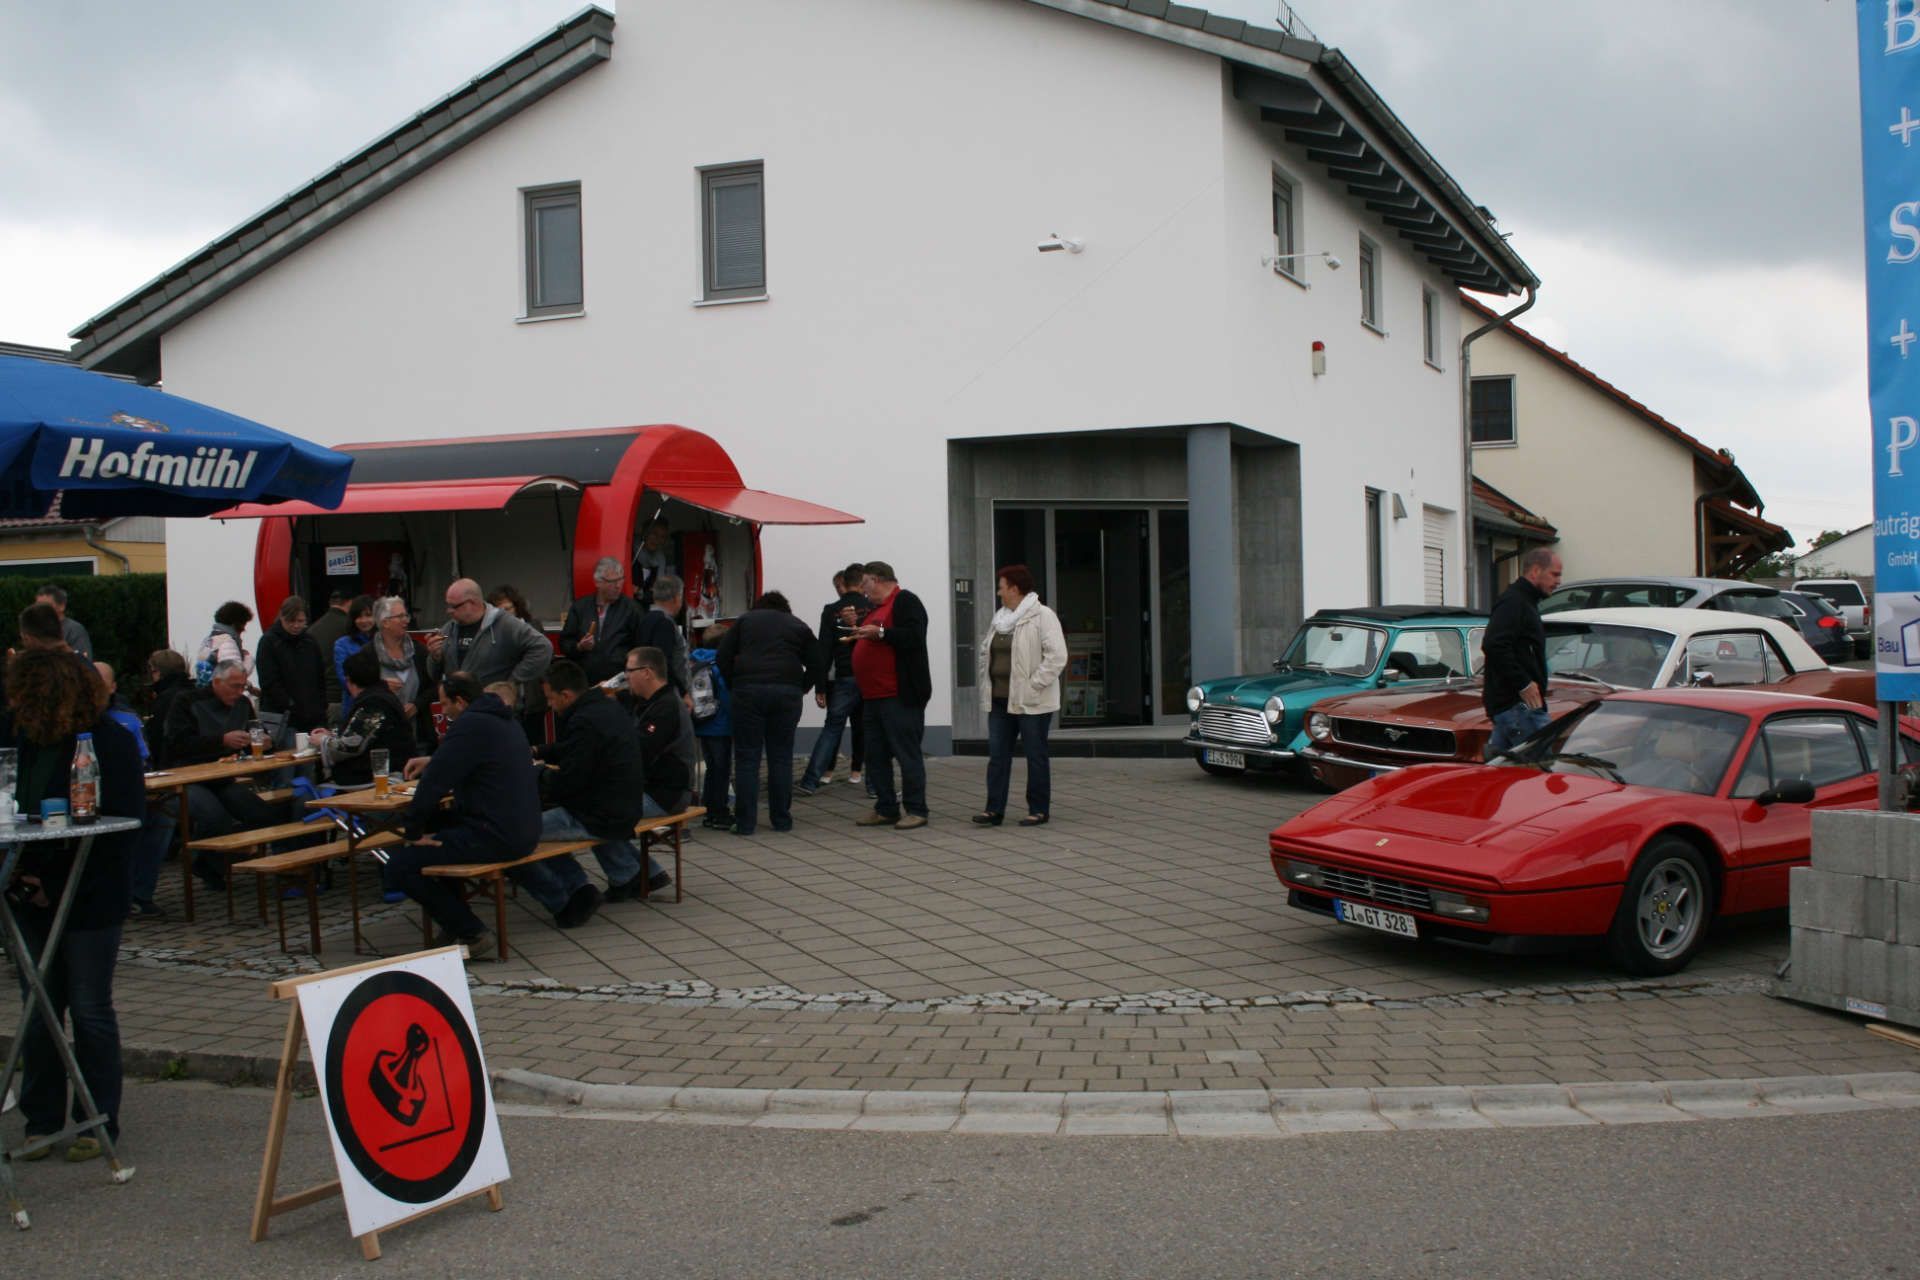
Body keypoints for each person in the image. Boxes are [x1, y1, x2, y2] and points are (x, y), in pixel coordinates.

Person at [1, 648, 142, 1163]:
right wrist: (23, 879)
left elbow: (121, 828)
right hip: (26, 889)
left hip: (88, 894)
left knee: (88, 1006)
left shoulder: (109, 742)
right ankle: (42, 1117)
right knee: (39, 1006)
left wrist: (54, 880)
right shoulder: (20, 741)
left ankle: (96, 1118)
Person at [387, 673, 540, 954]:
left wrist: (412, 832)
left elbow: (434, 781)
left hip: (496, 833)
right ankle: (456, 922)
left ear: (461, 701)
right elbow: (458, 762)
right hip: (521, 825)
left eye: (445, 705)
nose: (443, 712)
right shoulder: (502, 719)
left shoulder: (470, 725)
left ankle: (471, 932)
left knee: (399, 864)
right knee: (439, 832)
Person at [516, 658, 652, 923]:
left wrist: (535, 773)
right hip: (621, 803)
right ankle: (631, 872)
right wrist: (540, 752)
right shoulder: (603, 707)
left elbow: (569, 781)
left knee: (517, 833)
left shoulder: (583, 720)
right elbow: (574, 750)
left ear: (566, 695)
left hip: (600, 813)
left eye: (550, 699)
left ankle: (577, 890)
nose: (549, 705)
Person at [164, 659, 281, 888]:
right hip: (187, 776)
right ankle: (206, 863)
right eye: (234, 686)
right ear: (217, 682)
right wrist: (221, 741)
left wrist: (265, 741)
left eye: (242, 686)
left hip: (222, 776)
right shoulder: (187, 701)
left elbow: (256, 732)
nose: (239, 692)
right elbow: (177, 742)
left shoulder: (243, 704)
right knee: (214, 816)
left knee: (261, 813)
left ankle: (225, 857)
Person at [716, 593, 822, 836]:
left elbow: (722, 656)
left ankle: (745, 823)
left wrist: (736, 683)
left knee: (747, 758)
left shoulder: (745, 622)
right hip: (786, 694)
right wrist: (801, 687)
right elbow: (818, 661)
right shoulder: (797, 625)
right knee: (781, 757)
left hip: (748, 693)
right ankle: (781, 819)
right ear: (785, 608)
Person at [972, 564, 1067, 827]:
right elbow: (986, 654)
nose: (998, 592)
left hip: (1032, 702)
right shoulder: (1001, 618)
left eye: (1002, 586)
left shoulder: (1042, 616)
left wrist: (1033, 685)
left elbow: (1057, 656)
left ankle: (1038, 809)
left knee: (1035, 755)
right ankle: (994, 810)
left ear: (1014, 589)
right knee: (998, 756)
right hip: (1000, 701)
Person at [848, 561, 932, 830]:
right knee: (874, 755)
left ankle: (917, 809)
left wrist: (881, 633)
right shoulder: (876, 609)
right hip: (873, 696)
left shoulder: (906, 601)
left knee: (907, 754)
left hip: (899, 694)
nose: (863, 589)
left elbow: (914, 636)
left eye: (865, 583)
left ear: (878, 579)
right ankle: (886, 808)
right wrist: (858, 627)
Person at [128, 650, 193, 918]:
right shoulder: (192, 692)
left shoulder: (164, 700)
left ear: (158, 672)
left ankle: (138, 893)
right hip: (181, 773)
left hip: (170, 774)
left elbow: (157, 741)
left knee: (159, 819)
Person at [623, 645, 695, 883]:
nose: (626, 677)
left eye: (629, 671)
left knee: (600, 814)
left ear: (647, 672)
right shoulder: (650, 702)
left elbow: (639, 754)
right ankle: (641, 873)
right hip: (655, 789)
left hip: (666, 795)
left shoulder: (665, 708)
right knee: (596, 812)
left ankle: (637, 875)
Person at [1483, 547, 1564, 758]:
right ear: (1535, 571)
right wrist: (1524, 683)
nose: (1559, 581)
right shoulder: (1514, 602)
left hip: (1514, 708)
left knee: (1501, 773)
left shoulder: (1526, 602)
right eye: (1554, 574)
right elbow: (1494, 644)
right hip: (1519, 708)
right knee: (1540, 768)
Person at [798, 564, 870, 796]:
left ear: (845, 583)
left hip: (844, 677)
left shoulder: (831, 610)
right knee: (872, 730)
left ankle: (810, 780)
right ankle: (875, 786)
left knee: (831, 729)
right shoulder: (873, 607)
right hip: (870, 677)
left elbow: (823, 651)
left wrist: (820, 687)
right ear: (861, 583)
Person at [311, 645, 416, 787]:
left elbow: (350, 746)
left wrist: (322, 740)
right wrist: (332, 735)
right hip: (392, 771)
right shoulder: (382, 696)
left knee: (309, 795)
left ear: (349, 680)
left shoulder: (373, 703)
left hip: (381, 778)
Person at [426, 578, 553, 692]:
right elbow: (434, 675)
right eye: (448, 605)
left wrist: (510, 683)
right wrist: (435, 658)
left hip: (495, 709)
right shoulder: (449, 629)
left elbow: (543, 648)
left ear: (472, 603)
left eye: (454, 606)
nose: (449, 611)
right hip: (461, 710)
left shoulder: (505, 623)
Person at [559, 557, 643, 685]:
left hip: (619, 682)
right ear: (598, 582)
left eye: (621, 579)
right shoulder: (580, 607)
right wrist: (579, 647)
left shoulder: (632, 609)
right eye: (612, 581)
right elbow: (565, 642)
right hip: (585, 682)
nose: (618, 585)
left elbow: (642, 647)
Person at [369, 596, 437, 751]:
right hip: (384, 739)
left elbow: (434, 687)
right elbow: (359, 691)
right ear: (385, 622)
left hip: (420, 738)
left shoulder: (419, 651)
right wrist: (381, 686)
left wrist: (416, 705)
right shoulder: (368, 655)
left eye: (406, 615)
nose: (406, 620)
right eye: (400, 616)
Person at [255, 595, 327, 736]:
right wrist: (291, 705)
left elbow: (319, 677)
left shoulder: (310, 642)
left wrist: (321, 706)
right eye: (291, 621)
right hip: (282, 717)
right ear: (281, 617)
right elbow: (269, 682)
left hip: (311, 716)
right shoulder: (268, 642)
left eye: (300, 621)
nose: (296, 625)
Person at [487, 585, 550, 742]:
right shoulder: (491, 634)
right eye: (500, 610)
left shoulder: (533, 626)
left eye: (508, 609)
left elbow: (544, 661)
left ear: (517, 608)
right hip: (507, 701)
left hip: (533, 700)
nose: (505, 614)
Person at [690, 618, 734, 829]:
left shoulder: (696, 662)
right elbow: (726, 697)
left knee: (712, 768)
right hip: (720, 724)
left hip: (703, 723)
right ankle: (719, 811)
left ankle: (709, 808)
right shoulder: (720, 665)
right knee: (721, 768)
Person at [635, 574, 691, 700]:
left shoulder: (646, 619)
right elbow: (663, 662)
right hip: (669, 695)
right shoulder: (664, 623)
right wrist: (683, 693)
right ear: (677, 598)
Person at [307, 589, 353, 720]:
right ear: (350, 602)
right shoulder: (351, 628)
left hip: (323, 699)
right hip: (345, 697)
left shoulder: (313, 629)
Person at [93, 662, 150, 765]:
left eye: (100, 684)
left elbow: (143, 758)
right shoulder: (74, 721)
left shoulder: (129, 719)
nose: (95, 690)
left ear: (112, 687)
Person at [332, 595, 376, 716]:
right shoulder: (342, 644)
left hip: (382, 704)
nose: (364, 620)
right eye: (359, 616)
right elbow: (344, 679)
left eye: (368, 615)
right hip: (353, 707)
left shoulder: (383, 641)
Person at [194, 600, 254, 684]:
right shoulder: (227, 643)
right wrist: (249, 660)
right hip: (221, 694)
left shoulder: (209, 640)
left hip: (206, 692)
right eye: (242, 628)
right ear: (236, 624)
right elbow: (235, 676)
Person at [34, 583, 93, 663]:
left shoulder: (74, 630)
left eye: (46, 606)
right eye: (37, 606)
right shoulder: (35, 629)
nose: (40, 610)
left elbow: (83, 661)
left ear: (62, 606)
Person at [631, 517, 673, 598]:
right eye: (654, 533)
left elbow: (658, 588)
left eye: (662, 537)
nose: (657, 539)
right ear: (644, 531)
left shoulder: (661, 558)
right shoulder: (630, 548)